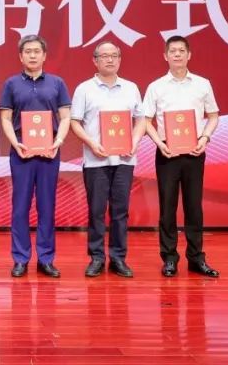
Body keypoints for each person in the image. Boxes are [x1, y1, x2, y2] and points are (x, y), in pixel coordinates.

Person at [142, 35, 221, 278]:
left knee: (194, 206)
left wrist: (204, 138)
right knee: (167, 207)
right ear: (165, 56)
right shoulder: (156, 87)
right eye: (172, 51)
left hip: (195, 150)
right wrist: (159, 143)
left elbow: (213, 116)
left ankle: (196, 258)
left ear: (189, 55)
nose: (177, 54)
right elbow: (146, 120)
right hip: (167, 151)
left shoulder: (202, 84)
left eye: (181, 50)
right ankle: (169, 258)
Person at [69, 40, 145, 278]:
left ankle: (118, 258)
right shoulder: (84, 89)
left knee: (121, 211)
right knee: (96, 210)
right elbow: (74, 122)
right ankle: (97, 258)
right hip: (95, 161)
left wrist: (134, 141)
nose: (110, 59)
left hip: (124, 160)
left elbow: (141, 120)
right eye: (104, 56)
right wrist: (91, 143)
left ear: (120, 59)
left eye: (114, 55)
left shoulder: (131, 88)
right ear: (95, 60)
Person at [0, 35, 71, 278]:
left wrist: (58, 142)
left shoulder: (57, 83)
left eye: (36, 51)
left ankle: (46, 258)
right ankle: (20, 258)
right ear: (20, 56)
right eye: (27, 51)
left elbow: (65, 117)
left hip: (50, 152)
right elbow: (5, 119)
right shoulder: (11, 84)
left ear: (44, 55)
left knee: (47, 206)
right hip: (21, 152)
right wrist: (15, 143)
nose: (32, 55)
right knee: (20, 207)